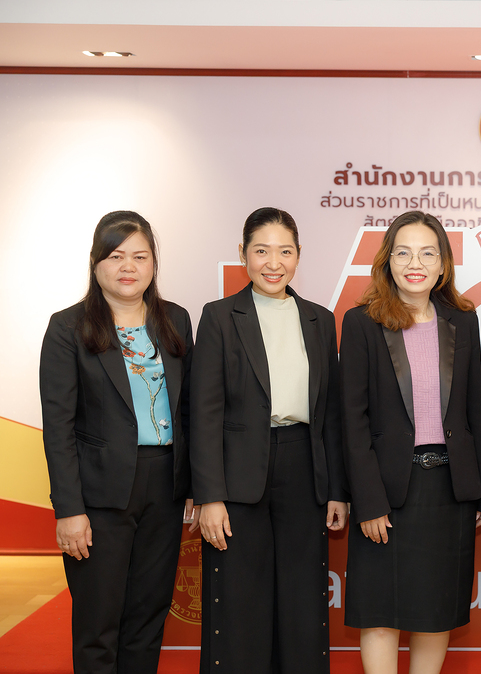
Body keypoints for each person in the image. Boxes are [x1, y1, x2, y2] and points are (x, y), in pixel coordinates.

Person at [190, 207, 348, 674]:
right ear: (243, 254)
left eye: (285, 251)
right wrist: (209, 496)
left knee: (302, 600)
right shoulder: (219, 316)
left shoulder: (320, 320)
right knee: (240, 600)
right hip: (238, 475)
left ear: (299, 255)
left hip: (304, 469)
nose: (273, 263)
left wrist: (337, 490)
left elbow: (331, 414)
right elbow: (203, 413)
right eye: (261, 251)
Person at [342, 211, 481, 674]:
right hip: (387, 491)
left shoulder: (462, 321)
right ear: (387, 261)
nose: (416, 263)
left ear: (443, 264)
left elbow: (474, 408)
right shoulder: (361, 323)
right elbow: (351, 421)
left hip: (448, 489)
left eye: (428, 253)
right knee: (380, 613)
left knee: (436, 613)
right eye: (404, 253)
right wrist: (368, 502)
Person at [40, 211, 195, 674]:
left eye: (140, 256)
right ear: (96, 263)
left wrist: (195, 485)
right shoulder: (68, 328)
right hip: (99, 495)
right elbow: (58, 427)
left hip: (164, 488)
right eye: (116, 256)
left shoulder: (176, 320)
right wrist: (69, 510)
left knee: (148, 618)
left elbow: (189, 409)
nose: (128, 266)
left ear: (153, 264)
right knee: (98, 623)